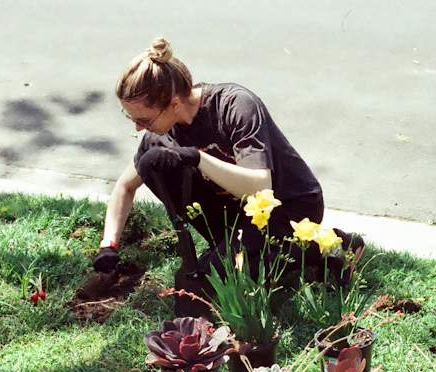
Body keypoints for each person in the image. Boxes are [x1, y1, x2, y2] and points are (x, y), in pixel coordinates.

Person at [92, 37, 362, 303]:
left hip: (289, 206)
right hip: (239, 216)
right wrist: (109, 244)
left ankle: (332, 245)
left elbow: (260, 187)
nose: (138, 128)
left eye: (143, 119)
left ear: (173, 104)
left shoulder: (234, 106)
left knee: (220, 276)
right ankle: (232, 250)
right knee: (154, 162)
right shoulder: (161, 133)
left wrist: (198, 157)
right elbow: (125, 186)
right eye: (131, 118)